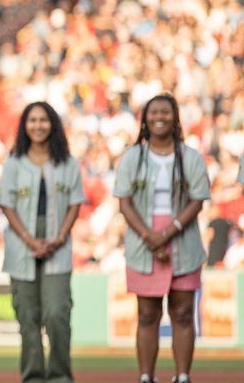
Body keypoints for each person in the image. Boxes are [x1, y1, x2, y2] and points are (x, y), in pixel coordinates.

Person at [114, 94, 209, 383]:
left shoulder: (190, 156)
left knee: (182, 312)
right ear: (144, 119)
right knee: (146, 314)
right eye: (154, 112)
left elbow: (197, 200)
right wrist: (149, 237)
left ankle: (182, 376)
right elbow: (124, 202)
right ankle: (146, 376)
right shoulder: (132, 157)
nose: (160, 117)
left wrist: (167, 233)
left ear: (175, 117)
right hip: (143, 241)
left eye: (166, 112)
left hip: (183, 238)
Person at [0, 102, 84, 383]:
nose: (38, 125)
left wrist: (59, 237)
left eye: (44, 120)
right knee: (28, 319)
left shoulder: (68, 163)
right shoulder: (14, 162)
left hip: (57, 244)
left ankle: (60, 376)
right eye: (32, 120)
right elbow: (7, 204)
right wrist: (29, 239)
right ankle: (32, 377)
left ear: (53, 124)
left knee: (58, 313)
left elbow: (74, 203)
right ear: (24, 125)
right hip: (22, 244)